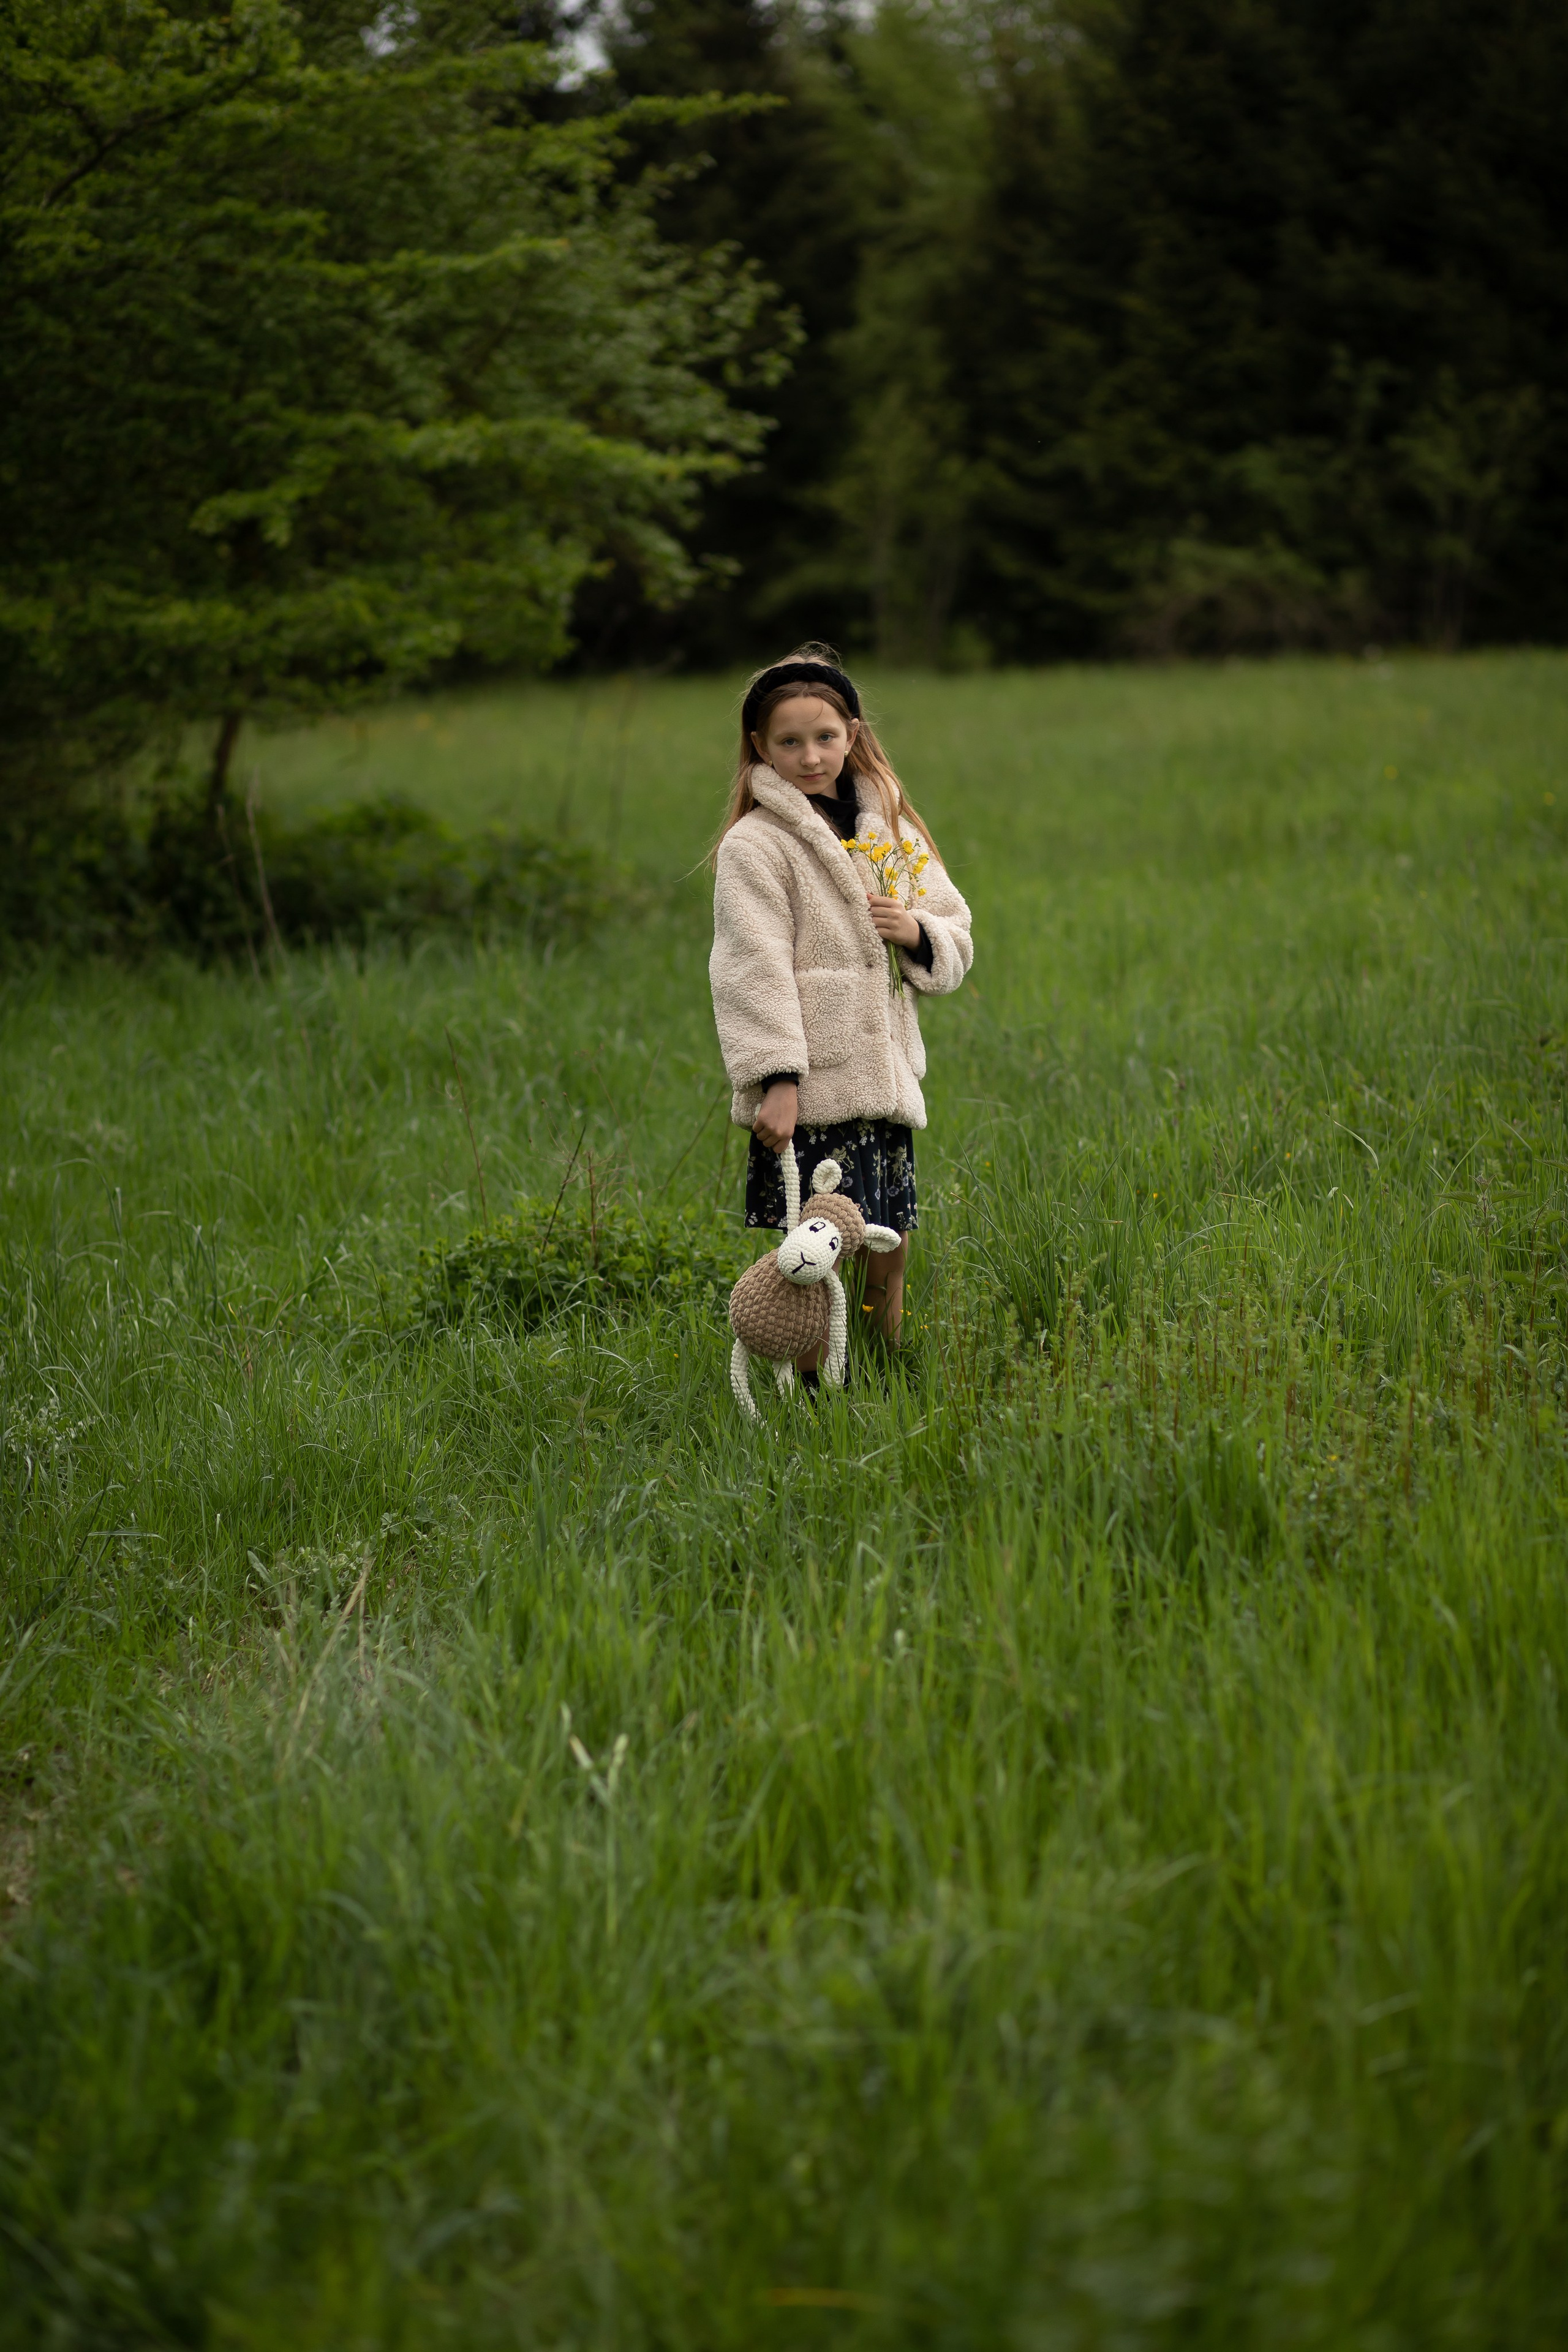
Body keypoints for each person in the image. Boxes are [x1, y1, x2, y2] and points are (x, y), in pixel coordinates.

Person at [709, 644, 974, 1374]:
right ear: (761, 747)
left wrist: (916, 932)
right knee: (813, 1256)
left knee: (887, 1247)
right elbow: (749, 969)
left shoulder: (887, 828)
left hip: (882, 1085)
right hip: (815, 1090)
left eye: (825, 737)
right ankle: (813, 1397)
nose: (809, 755)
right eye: (788, 742)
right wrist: (779, 1081)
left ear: (852, 733)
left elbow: (953, 923)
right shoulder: (755, 847)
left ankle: (883, 1373)